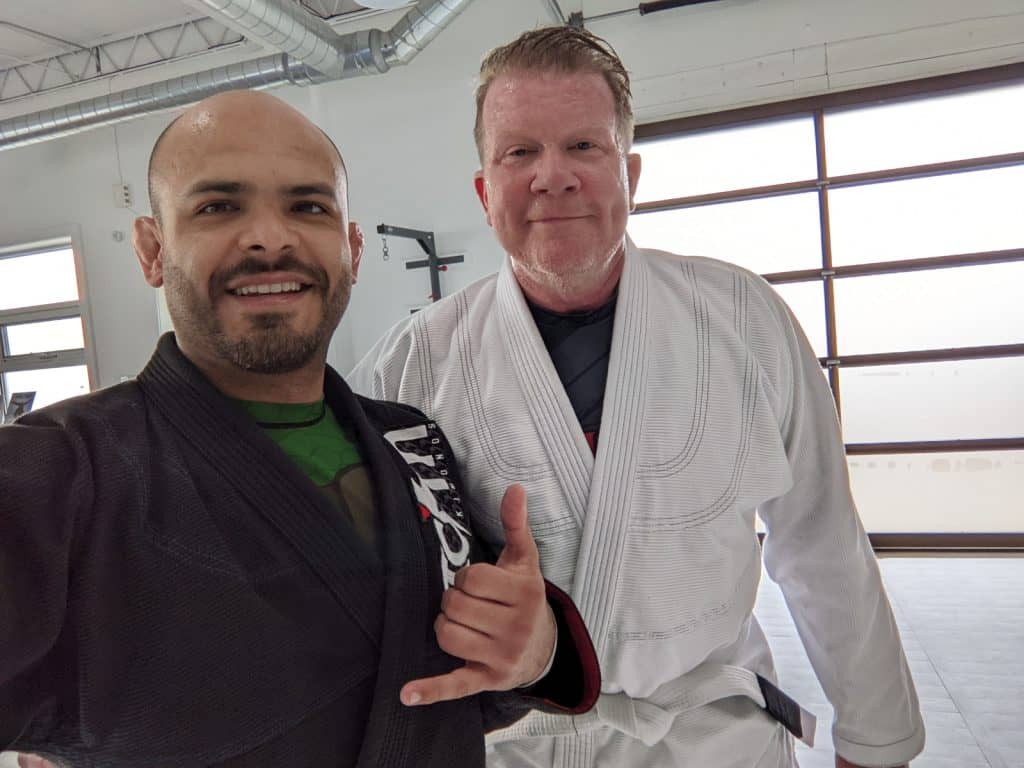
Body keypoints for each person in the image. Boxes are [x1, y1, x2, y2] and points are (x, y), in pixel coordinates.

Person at [349, 26, 925, 768]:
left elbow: (819, 541)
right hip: (514, 746)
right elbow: (367, 589)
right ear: (485, 188)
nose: (551, 176)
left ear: (630, 173)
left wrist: (876, 737)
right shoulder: (411, 363)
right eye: (519, 151)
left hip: (712, 739)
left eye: (583, 147)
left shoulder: (745, 321)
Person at [0, 90, 600, 768]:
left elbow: (455, 686)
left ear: (351, 249)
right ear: (152, 250)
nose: (270, 237)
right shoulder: (61, 473)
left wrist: (535, 650)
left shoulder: (411, 441)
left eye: (308, 207)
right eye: (218, 207)